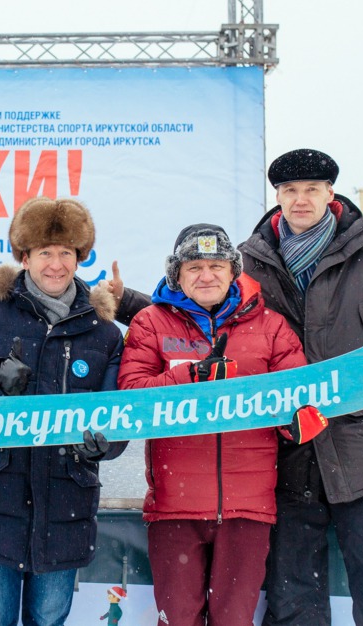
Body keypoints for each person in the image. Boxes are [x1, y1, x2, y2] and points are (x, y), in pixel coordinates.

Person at [238, 149, 363, 626]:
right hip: (289, 457)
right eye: (290, 190)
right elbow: (201, 319)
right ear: (277, 197)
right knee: (293, 605)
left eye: (311, 189)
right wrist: (125, 304)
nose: (300, 199)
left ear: (330, 193)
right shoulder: (251, 261)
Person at [0, 197, 127, 626]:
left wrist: (105, 445)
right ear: (24, 257)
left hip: (65, 509)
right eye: (44, 252)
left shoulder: (105, 333)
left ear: (80, 257)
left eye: (66, 253)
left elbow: (118, 420)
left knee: (49, 619)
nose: (56, 265)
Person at [118, 223, 312, 626]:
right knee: (178, 619)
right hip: (175, 508)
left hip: (247, 508)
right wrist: (189, 376)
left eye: (216, 266)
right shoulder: (150, 323)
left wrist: (299, 424)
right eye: (194, 267)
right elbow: (132, 400)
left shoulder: (271, 326)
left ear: (232, 271)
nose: (206, 276)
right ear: (177, 274)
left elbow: (301, 400)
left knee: (234, 620)